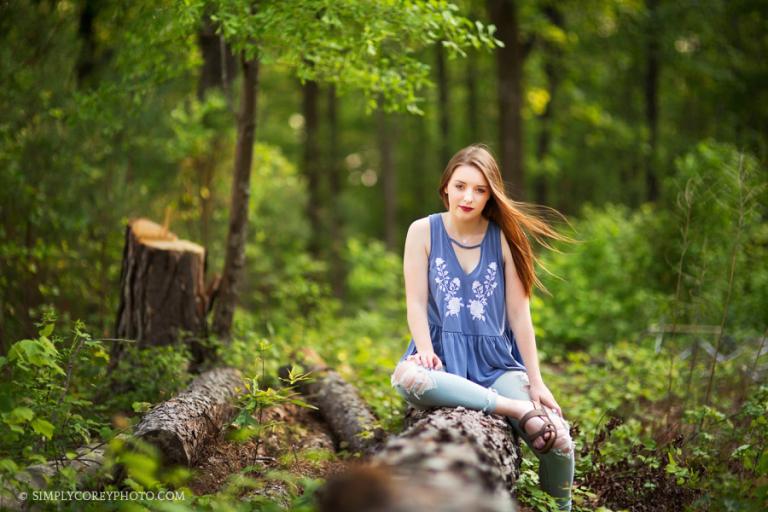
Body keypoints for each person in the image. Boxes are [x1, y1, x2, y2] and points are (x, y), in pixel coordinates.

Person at [390, 144, 576, 510]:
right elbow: (414, 301)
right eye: (460, 186)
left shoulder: (506, 237)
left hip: (495, 362)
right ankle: (513, 410)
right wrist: (425, 349)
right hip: (440, 355)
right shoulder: (422, 231)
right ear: (445, 186)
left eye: (480, 189)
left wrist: (536, 382)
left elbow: (521, 318)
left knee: (559, 440)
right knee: (409, 378)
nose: (468, 196)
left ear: (491, 193)